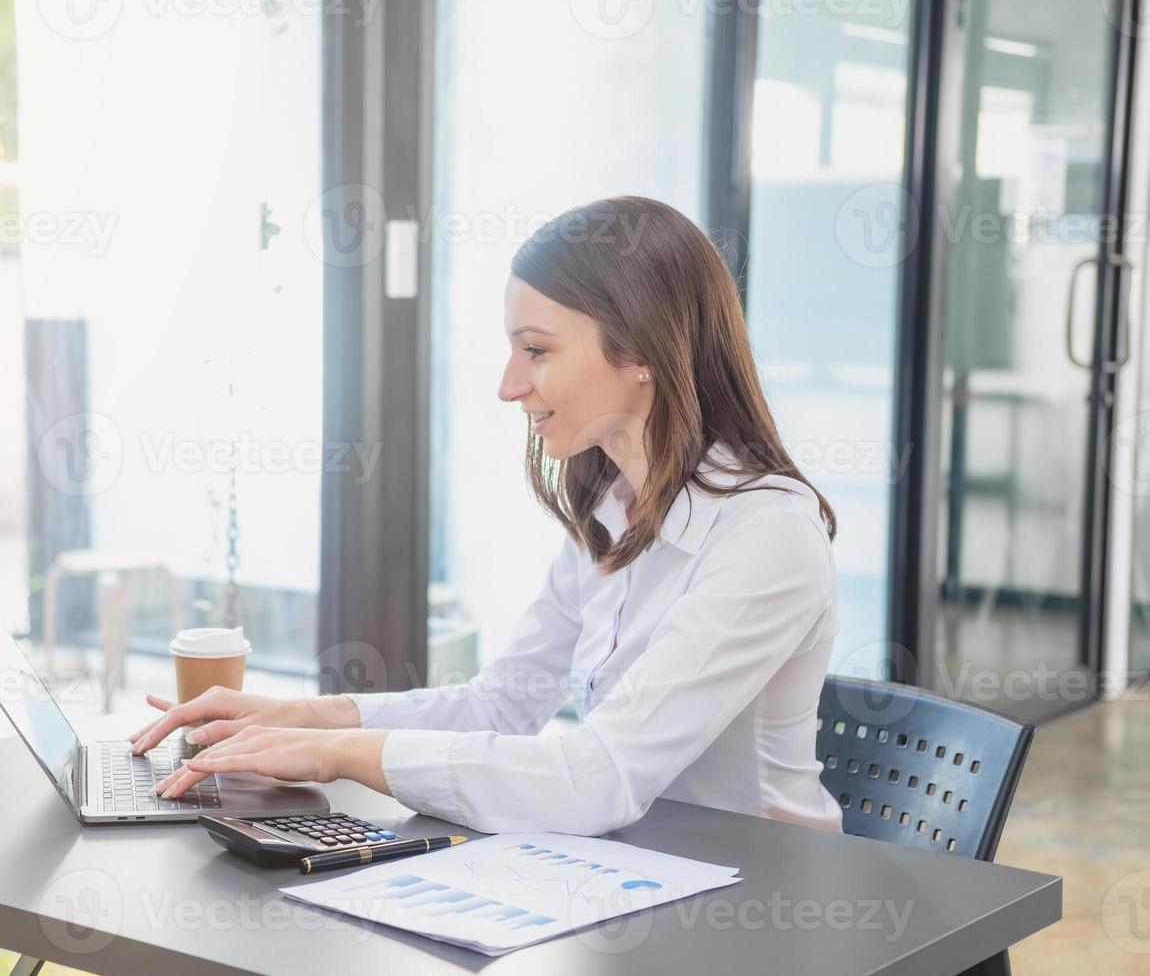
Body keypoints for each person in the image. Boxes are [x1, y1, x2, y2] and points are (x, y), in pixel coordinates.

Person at [130, 196, 843, 836]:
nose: (508, 386)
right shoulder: (611, 510)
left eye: (535, 350)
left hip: (758, 907)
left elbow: (598, 779)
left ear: (641, 351)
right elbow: (503, 705)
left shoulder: (767, 535)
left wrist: (343, 755)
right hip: (641, 876)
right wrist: (309, 718)